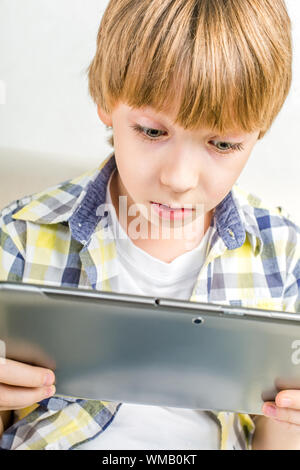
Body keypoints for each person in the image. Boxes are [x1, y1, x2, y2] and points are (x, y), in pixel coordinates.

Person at [0, 0, 299, 450]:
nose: (179, 179)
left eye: (221, 143)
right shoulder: (19, 237)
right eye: (153, 132)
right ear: (105, 102)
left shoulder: (283, 254)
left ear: (258, 131)